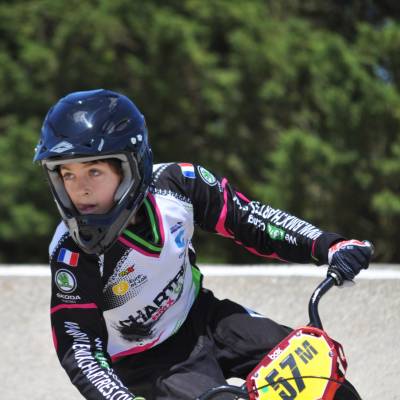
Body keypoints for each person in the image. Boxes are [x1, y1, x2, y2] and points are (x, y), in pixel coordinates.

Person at [34, 89, 372, 400]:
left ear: (131, 167)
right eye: (67, 174)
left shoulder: (178, 184)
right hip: (148, 363)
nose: (80, 189)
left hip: (207, 317)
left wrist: (329, 246)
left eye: (94, 171)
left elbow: (251, 219)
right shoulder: (70, 252)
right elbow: (78, 346)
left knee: (324, 379)